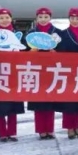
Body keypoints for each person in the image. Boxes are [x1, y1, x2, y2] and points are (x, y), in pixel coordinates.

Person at [23, 7, 65, 140]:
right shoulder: (31, 33)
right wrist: (30, 52)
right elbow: (23, 50)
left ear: (50, 18)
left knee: (50, 100)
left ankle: (50, 129)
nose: (43, 19)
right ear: (36, 18)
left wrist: (56, 53)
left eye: (46, 17)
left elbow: (64, 51)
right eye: (40, 17)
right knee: (38, 101)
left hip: (51, 70)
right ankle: (41, 129)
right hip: (36, 70)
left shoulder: (57, 33)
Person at [0, 8, 25, 142]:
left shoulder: (17, 34)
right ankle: (2, 133)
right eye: (1, 18)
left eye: (7, 17)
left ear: (11, 19)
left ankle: (12, 132)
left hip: (13, 73)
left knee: (13, 104)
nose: (4, 20)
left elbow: (25, 50)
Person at [58, 7, 78, 139]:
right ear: (69, 19)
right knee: (68, 101)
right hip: (67, 71)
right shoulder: (62, 34)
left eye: (77, 18)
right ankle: (69, 128)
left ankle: (77, 126)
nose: (75, 20)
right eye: (72, 18)